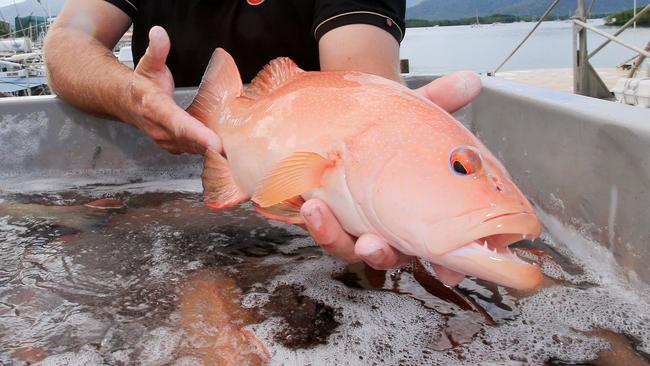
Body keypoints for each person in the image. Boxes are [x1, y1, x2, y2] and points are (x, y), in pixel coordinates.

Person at [43, 0, 482, 286]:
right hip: (165, 189)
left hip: (315, 217)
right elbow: (68, 40)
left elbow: (361, 75)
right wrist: (132, 98)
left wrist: (386, 165)